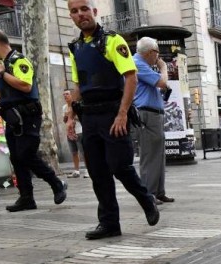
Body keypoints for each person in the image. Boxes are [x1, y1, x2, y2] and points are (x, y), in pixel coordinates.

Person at [67, 0, 159, 240]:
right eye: (74, 11)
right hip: (89, 117)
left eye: (84, 9)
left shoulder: (111, 41)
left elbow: (131, 77)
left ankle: (146, 199)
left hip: (112, 114)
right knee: (97, 172)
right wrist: (70, 116)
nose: (80, 15)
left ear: (94, 12)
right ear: (71, 16)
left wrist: (121, 114)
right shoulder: (75, 47)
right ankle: (109, 223)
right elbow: (78, 85)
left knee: (120, 166)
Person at [0, 29, 67, 212]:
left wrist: (2, 75)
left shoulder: (18, 61)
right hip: (12, 117)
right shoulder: (2, 64)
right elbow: (3, 94)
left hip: (28, 116)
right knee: (16, 157)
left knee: (26, 154)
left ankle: (56, 183)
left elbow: (26, 85)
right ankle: (26, 198)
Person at [132, 37, 174, 205]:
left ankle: (158, 191)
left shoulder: (144, 66)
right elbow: (162, 82)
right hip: (147, 114)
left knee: (158, 154)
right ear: (150, 52)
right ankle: (148, 194)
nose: (158, 58)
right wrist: (163, 67)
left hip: (153, 114)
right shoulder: (138, 63)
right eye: (157, 53)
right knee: (150, 155)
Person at [62, 89, 87, 178]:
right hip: (69, 132)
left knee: (83, 152)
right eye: (64, 95)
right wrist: (66, 117)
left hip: (79, 131)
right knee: (74, 152)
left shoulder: (77, 105)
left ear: (72, 95)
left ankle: (88, 170)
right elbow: (65, 121)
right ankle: (76, 170)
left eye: (67, 94)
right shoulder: (64, 107)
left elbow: (81, 118)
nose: (65, 96)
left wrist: (72, 116)